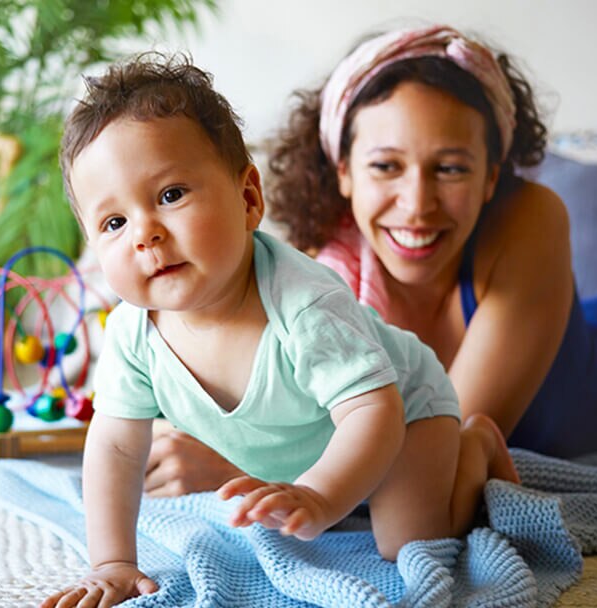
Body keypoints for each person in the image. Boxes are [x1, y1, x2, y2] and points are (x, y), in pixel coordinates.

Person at [143, 24, 597, 498]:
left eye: (449, 168)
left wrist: (241, 471)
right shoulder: (315, 283)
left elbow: (436, 450)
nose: (416, 205)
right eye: (385, 166)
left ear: (491, 174)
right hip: (596, 335)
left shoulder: (532, 219)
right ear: (342, 172)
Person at [42, 52, 518, 608]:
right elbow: (116, 449)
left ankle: (474, 443)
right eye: (113, 222)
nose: (144, 234)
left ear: (248, 198)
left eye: (171, 195)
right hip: (312, 441)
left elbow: (374, 411)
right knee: (346, 505)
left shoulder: (304, 303)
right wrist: (114, 563)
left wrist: (318, 495)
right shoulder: (131, 334)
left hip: (404, 410)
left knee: (407, 539)